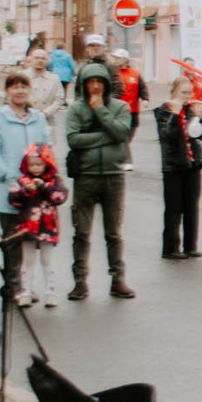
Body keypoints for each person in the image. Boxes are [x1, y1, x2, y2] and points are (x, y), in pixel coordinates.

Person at [0, 71, 56, 306]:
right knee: (12, 241)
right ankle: (14, 285)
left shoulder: (38, 118)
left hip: (35, 192)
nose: (19, 90)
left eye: (24, 86)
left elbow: (47, 148)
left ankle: (27, 286)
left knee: (32, 241)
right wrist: (10, 176)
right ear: (7, 91)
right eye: (14, 86)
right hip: (9, 189)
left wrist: (43, 178)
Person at [64, 58, 135, 298]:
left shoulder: (120, 107)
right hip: (86, 176)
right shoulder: (75, 108)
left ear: (106, 83)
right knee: (81, 232)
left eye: (99, 81)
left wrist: (100, 112)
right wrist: (107, 136)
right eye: (90, 81)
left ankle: (118, 279)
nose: (95, 86)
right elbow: (74, 139)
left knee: (113, 232)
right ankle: (80, 281)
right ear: (83, 84)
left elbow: (122, 132)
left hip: (114, 177)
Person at [153, 76, 202, 259]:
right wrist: (175, 116)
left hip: (192, 164)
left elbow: (200, 136)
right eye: (183, 92)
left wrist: (199, 118)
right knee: (173, 208)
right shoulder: (164, 111)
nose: (187, 96)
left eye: (189, 92)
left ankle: (190, 246)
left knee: (191, 206)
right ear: (174, 92)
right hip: (173, 166)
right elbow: (168, 136)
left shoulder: (190, 110)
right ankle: (170, 248)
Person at [7, 145, 67, 308]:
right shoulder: (22, 181)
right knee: (28, 260)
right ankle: (26, 291)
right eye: (32, 164)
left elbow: (60, 197)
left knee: (47, 260)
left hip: (47, 226)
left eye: (39, 164)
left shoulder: (54, 181)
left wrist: (42, 187)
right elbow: (13, 200)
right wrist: (25, 191)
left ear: (47, 164)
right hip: (27, 226)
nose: (35, 168)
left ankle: (51, 291)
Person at [112, 48, 144, 172]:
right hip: (119, 111)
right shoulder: (114, 73)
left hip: (133, 110)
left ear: (125, 59)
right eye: (114, 58)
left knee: (128, 137)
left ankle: (118, 156)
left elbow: (142, 88)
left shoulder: (135, 74)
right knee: (123, 137)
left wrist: (145, 98)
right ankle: (127, 161)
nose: (115, 60)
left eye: (117, 58)